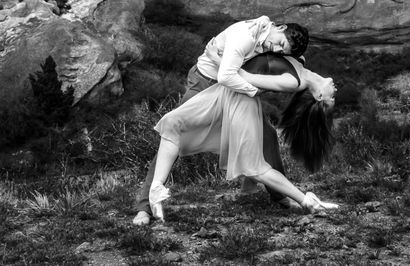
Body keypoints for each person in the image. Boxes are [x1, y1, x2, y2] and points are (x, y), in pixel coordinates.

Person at [132, 16, 310, 226]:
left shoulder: (267, 35)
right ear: (279, 27)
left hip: (233, 91)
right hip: (206, 83)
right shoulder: (246, 35)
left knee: (268, 135)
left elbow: (286, 60)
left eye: (282, 51)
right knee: (175, 135)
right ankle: (144, 207)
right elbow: (226, 76)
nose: (276, 49)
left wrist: (294, 61)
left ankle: (280, 196)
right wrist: (253, 90)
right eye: (280, 44)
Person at [146, 52, 338, 222]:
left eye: (332, 99)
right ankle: (156, 189)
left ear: (319, 96)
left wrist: (216, 57)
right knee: (172, 122)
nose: (335, 91)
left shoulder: (295, 82)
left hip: (239, 100)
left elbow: (244, 76)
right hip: (226, 92)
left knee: (255, 167)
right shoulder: (300, 63)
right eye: (333, 98)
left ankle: (306, 201)